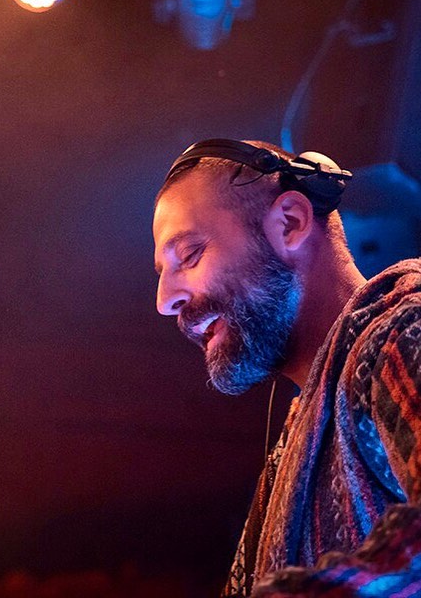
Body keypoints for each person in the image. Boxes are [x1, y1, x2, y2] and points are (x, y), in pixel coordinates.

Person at [152, 138, 421, 597]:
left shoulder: (402, 330)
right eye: (162, 273)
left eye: (191, 254)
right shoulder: (304, 431)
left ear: (290, 223)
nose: (165, 301)